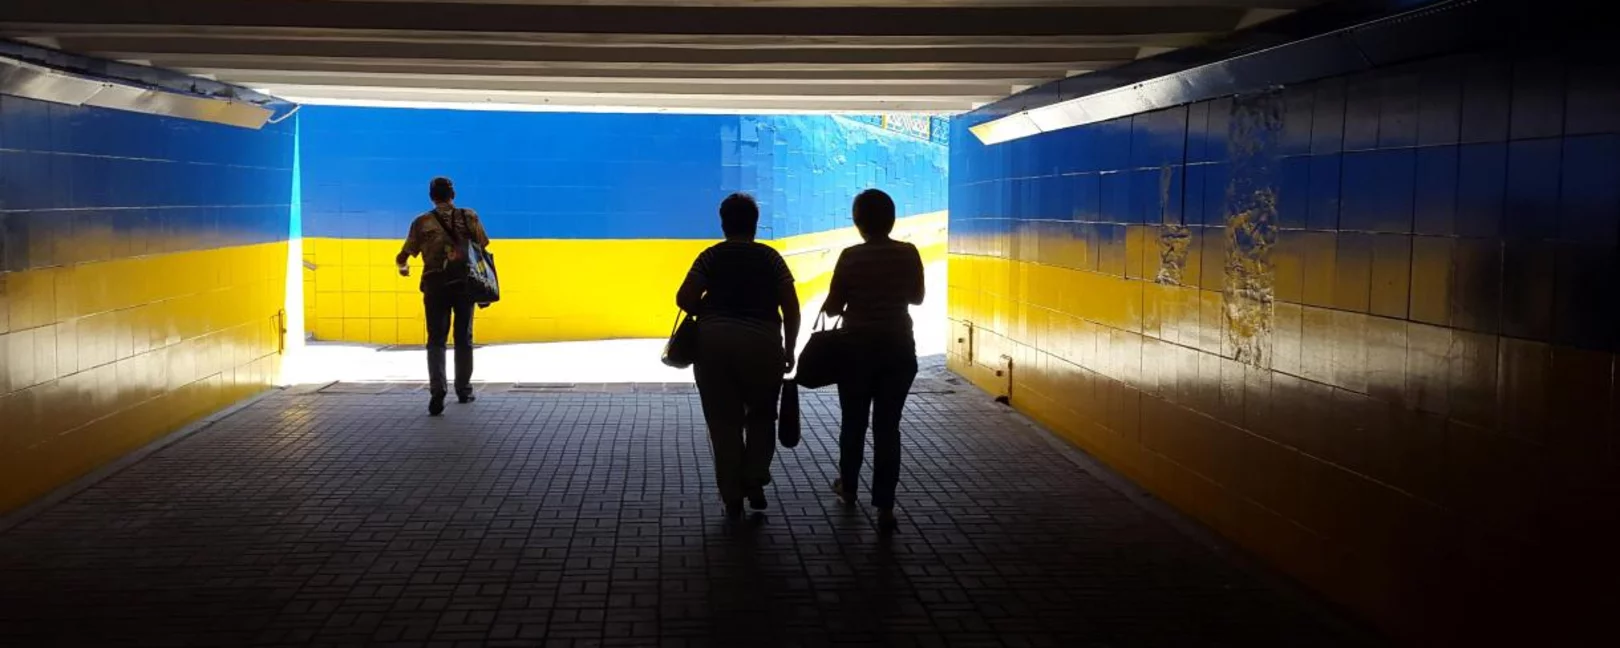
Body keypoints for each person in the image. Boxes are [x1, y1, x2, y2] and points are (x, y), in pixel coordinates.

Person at [676, 193, 801, 520]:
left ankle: (732, 496)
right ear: (755, 224)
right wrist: (789, 348)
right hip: (762, 342)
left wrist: (711, 313)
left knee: (723, 423)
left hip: (714, 343)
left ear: (723, 223)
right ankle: (754, 478)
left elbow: (684, 297)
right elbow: (790, 305)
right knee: (761, 416)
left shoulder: (711, 257)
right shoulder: (770, 259)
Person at [822, 189, 925, 533]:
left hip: (856, 352)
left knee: (853, 423)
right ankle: (885, 506)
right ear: (892, 219)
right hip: (898, 349)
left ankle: (848, 488)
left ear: (858, 222)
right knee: (887, 428)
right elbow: (918, 297)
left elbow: (834, 307)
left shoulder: (850, 257)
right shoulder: (908, 253)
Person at [396, 176, 490, 416]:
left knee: (436, 339)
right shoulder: (469, 216)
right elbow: (482, 246)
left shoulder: (422, 222)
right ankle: (464, 389)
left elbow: (405, 255)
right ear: (453, 195)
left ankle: (437, 392)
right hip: (464, 285)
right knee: (463, 338)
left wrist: (403, 267)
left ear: (431, 196)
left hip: (435, 285)